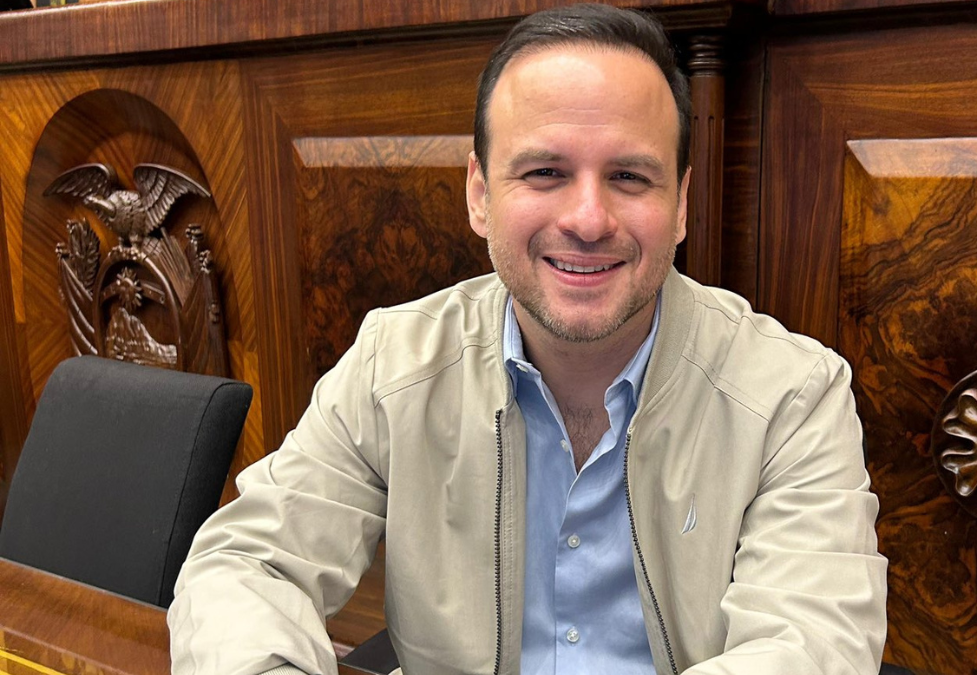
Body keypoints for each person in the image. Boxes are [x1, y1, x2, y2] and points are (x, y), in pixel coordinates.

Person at [167, 4, 887, 674]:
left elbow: (811, 642)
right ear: (480, 193)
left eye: (630, 176)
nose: (587, 217)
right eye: (545, 171)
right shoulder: (395, 363)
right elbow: (247, 564)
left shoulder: (794, 395)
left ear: (681, 206)